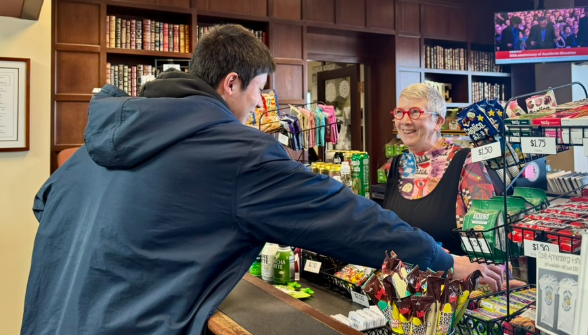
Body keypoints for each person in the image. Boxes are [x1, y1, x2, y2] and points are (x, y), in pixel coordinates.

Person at [21, 24, 503, 335]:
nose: (259, 107)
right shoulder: (235, 154)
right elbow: (344, 217)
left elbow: (46, 207)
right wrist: (444, 261)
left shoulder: (93, 147)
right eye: (258, 92)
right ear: (231, 83)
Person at [383, 84, 500, 262]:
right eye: (400, 112)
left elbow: (487, 238)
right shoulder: (398, 165)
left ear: (438, 121)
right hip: (401, 285)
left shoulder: (466, 162)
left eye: (415, 112)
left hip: (453, 286)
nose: (405, 121)